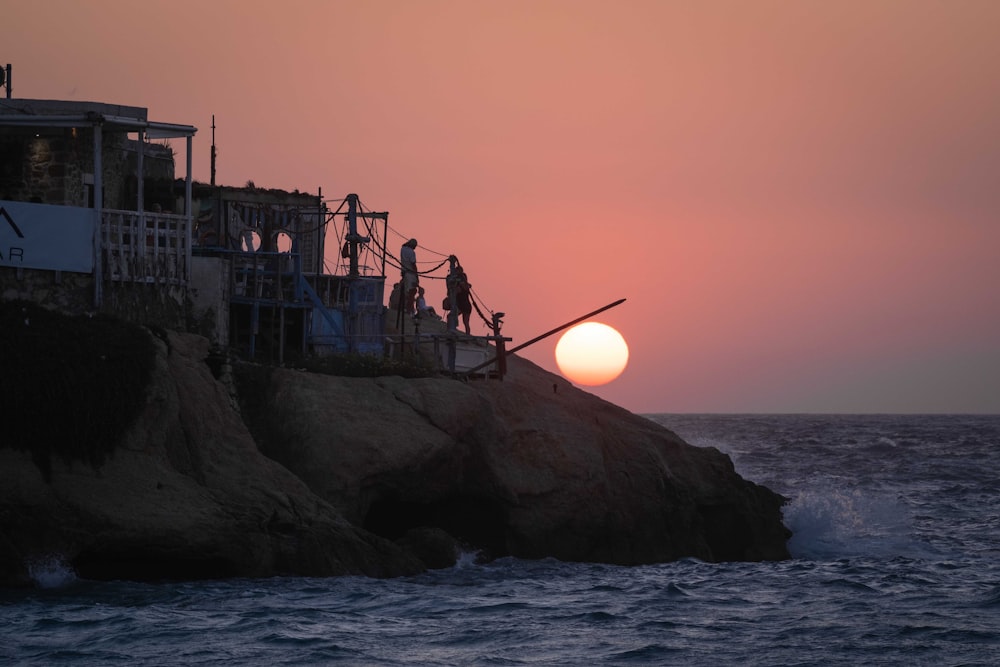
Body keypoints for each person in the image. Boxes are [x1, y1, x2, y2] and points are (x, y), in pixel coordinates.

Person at [399, 238, 419, 315]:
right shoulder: (411, 252)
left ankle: (408, 309)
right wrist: (417, 275)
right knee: (412, 292)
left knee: (406, 292)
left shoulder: (402, 249)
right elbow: (413, 264)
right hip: (411, 273)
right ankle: (409, 310)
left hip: (404, 273)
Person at [454, 265, 473, 335]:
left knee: (452, 316)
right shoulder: (465, 285)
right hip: (465, 305)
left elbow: (457, 291)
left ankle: (454, 330)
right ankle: (467, 335)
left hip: (463, 305)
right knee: (466, 322)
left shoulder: (461, 285)